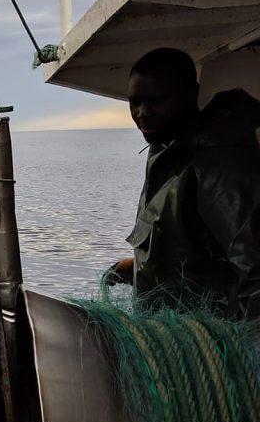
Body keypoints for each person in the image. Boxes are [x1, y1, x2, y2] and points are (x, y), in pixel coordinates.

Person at [107, 47, 260, 318]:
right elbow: (194, 248)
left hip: (207, 345)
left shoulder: (220, 168)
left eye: (155, 100)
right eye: (135, 102)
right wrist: (138, 267)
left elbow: (254, 271)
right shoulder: (167, 150)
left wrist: (241, 353)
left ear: (191, 93)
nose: (142, 113)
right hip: (167, 336)